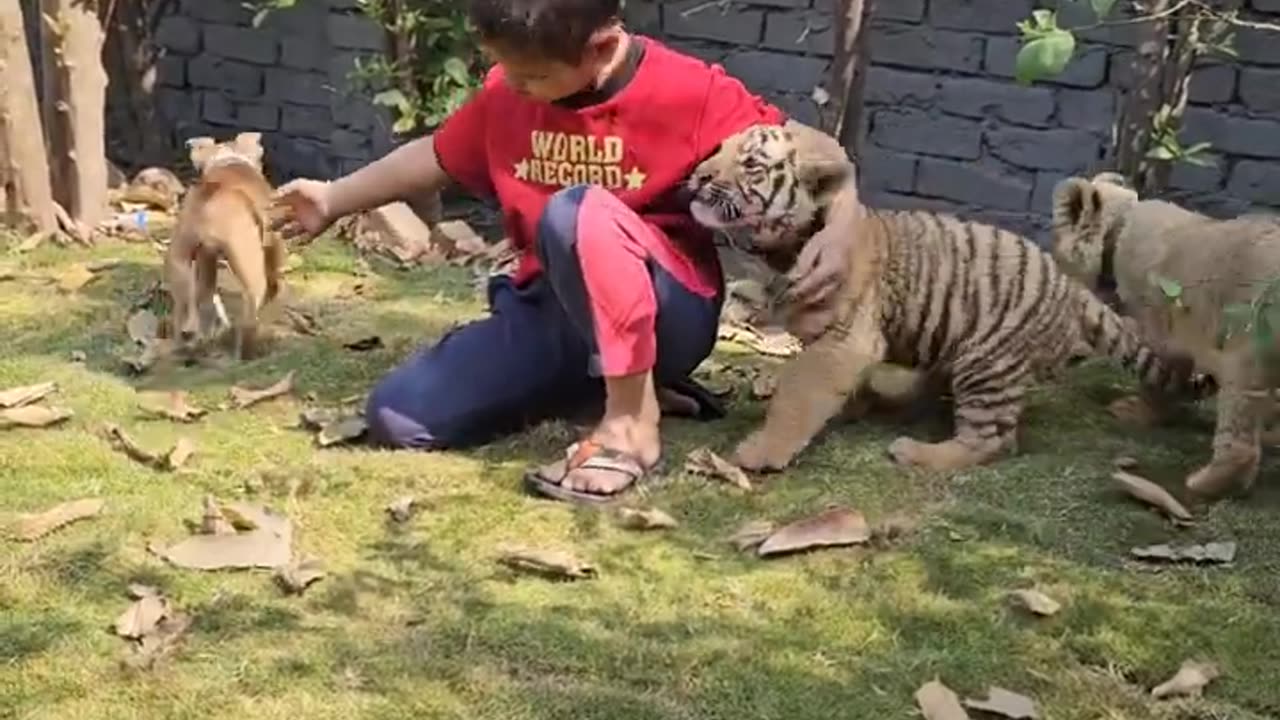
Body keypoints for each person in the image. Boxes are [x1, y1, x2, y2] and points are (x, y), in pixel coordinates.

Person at [272, 0, 859, 503]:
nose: (511, 84)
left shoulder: (690, 93)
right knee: (399, 418)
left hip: (668, 310)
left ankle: (631, 423)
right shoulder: (509, 92)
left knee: (578, 211)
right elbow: (439, 155)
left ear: (601, 47)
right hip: (553, 309)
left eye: (530, 75)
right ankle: (615, 386)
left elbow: (810, 151)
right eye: (504, 68)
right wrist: (333, 199)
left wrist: (841, 222)